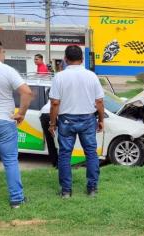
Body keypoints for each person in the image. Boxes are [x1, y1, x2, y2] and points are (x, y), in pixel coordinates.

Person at [48, 45, 104, 198]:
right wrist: (101, 120)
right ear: (82, 59)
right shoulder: (91, 76)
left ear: (65, 59)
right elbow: (99, 101)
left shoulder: (59, 77)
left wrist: (52, 124)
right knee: (91, 154)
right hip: (88, 119)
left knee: (65, 155)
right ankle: (92, 189)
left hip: (66, 120)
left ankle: (66, 191)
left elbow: (54, 104)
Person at [0, 39, 33, 208]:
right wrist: (21, 114)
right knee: (10, 161)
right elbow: (26, 92)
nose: (4, 56)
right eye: (3, 52)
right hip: (4, 121)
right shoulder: (6, 70)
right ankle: (16, 200)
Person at [40, 90, 58, 168]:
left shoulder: (51, 94)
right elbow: (55, 106)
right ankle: (61, 163)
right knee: (61, 139)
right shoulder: (60, 94)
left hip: (43, 114)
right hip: (53, 114)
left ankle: (54, 162)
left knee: (50, 140)